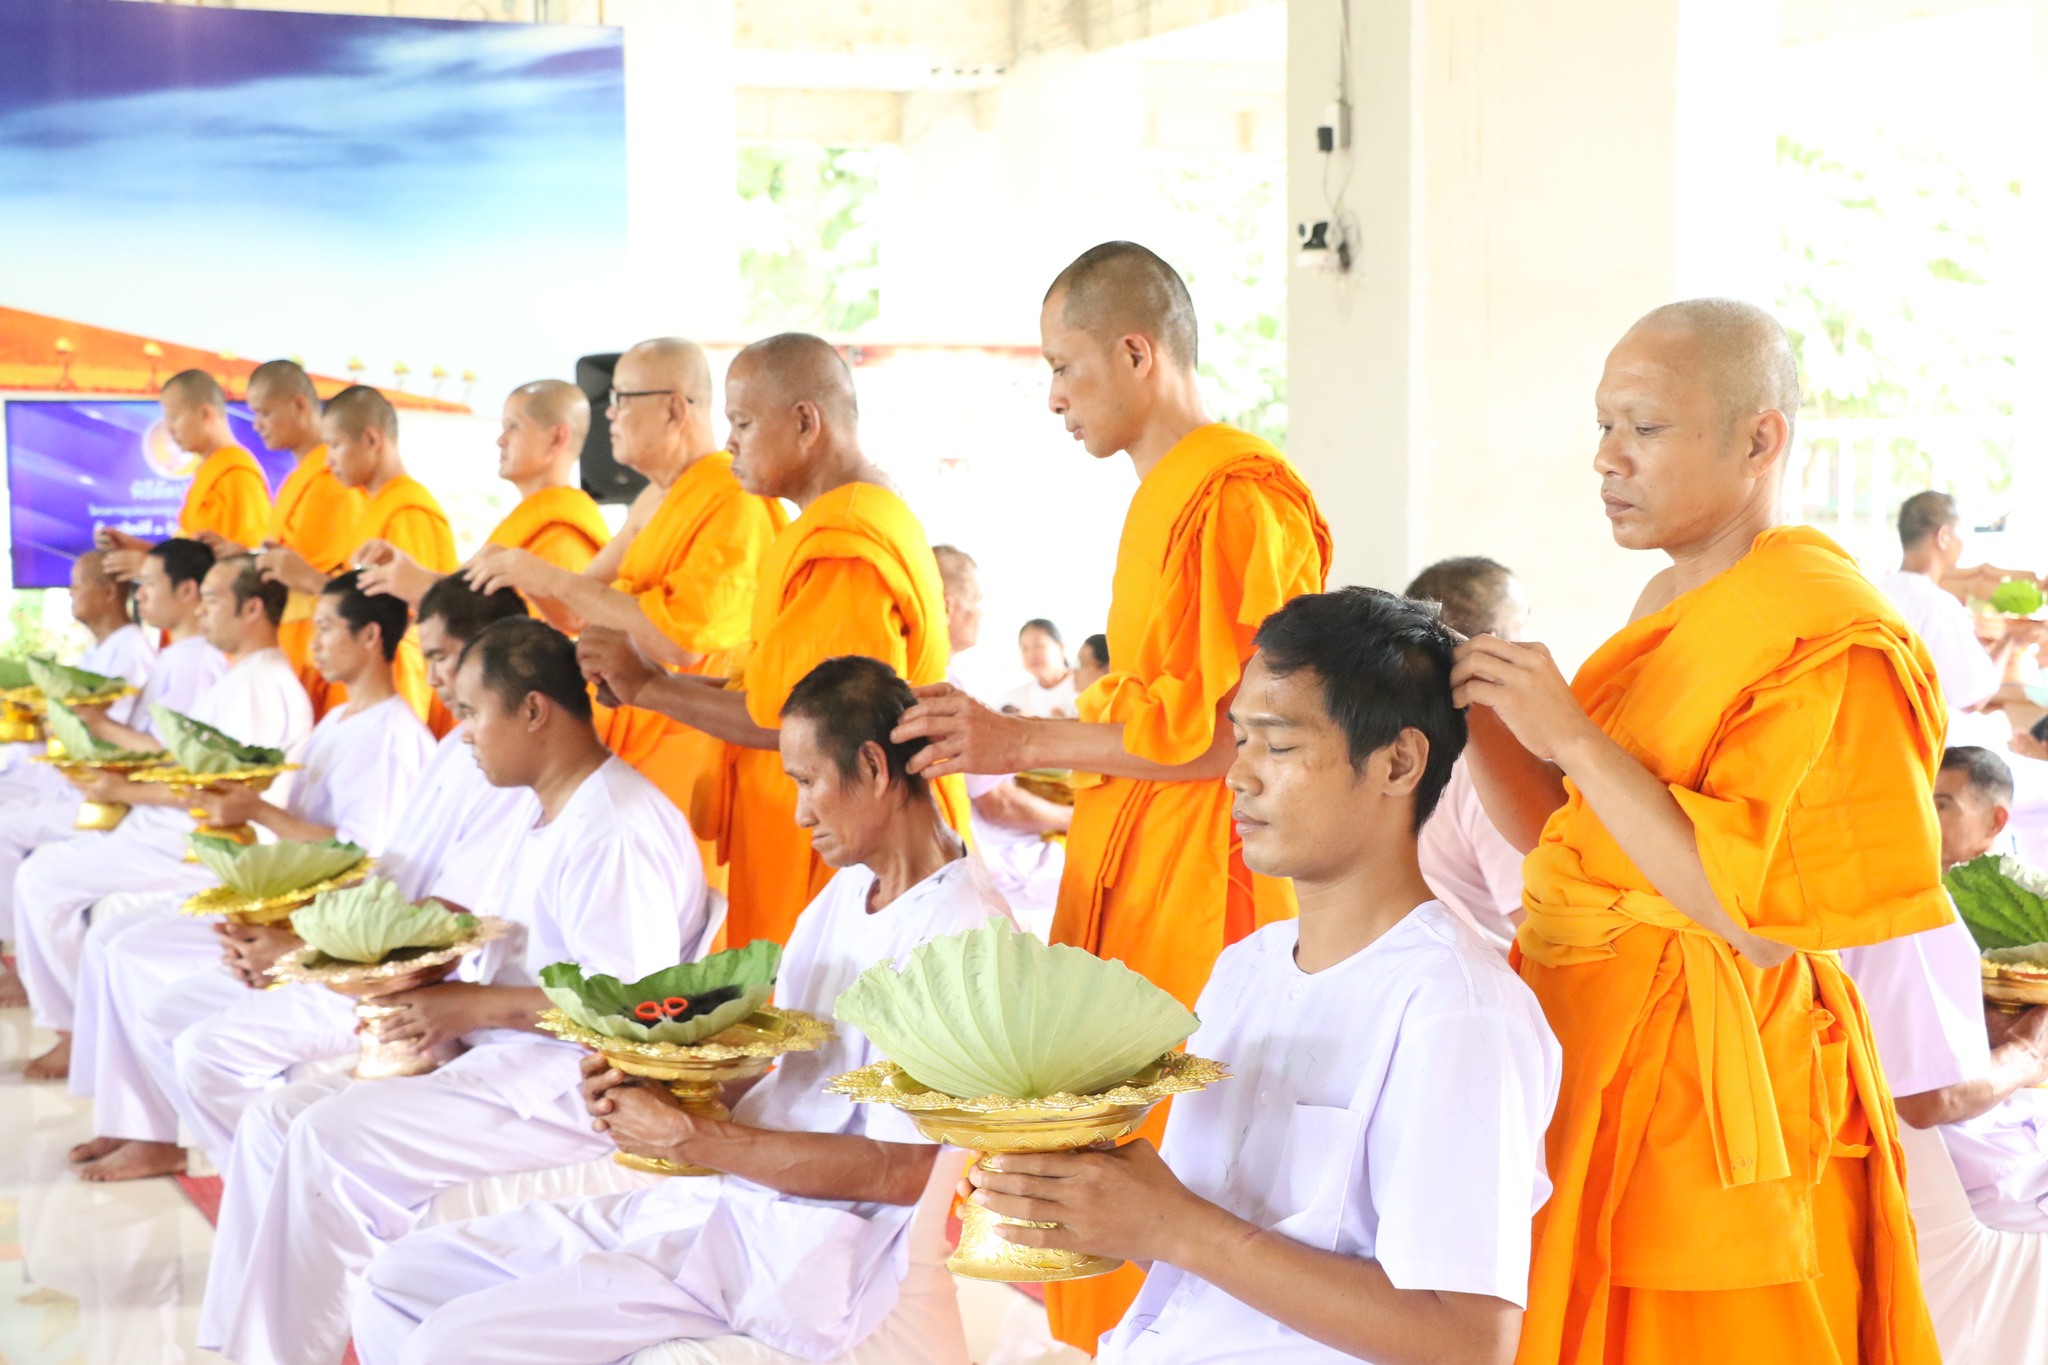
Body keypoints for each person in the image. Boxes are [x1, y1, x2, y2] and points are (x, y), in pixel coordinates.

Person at [1451, 299, 1947, 1362]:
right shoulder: (1663, 600)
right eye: (1600, 426)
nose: (1605, 459)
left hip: (1715, 1083)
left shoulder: (1827, 634)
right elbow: (1566, 845)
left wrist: (1575, 739)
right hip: (1579, 1033)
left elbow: (1756, 919)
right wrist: (1480, 716)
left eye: (1642, 427)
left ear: (1758, 437)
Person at [890, 242, 1332, 1352]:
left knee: (1190, 1146)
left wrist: (1017, 733)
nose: (1051, 397)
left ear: (1137, 352)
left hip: (1210, 879)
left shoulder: (1235, 497)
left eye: (1065, 367)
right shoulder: (1161, 502)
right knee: (1110, 1134)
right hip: (1135, 861)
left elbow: (1244, 725)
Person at [354, 655, 1016, 1365]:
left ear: (875, 768)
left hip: (811, 1250)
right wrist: (663, 1088)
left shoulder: (961, 935)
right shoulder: (847, 892)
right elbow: (789, 1075)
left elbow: (908, 1170)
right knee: (399, 1281)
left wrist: (691, 1138)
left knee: (449, 1345)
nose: (798, 811)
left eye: (807, 781)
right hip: (725, 1201)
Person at [968, 588, 1560, 1363]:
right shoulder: (1246, 969)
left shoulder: (1455, 1010)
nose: (1238, 776)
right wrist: (1091, 1203)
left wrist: (1173, 1224)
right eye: (1240, 740)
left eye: (1278, 747)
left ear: (1399, 762)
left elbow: (1465, 1340)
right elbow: (1211, 1247)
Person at [199, 617, 707, 1365]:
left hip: (572, 1088)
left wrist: (469, 1007)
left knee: (326, 1140)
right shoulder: (551, 806)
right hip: (502, 1055)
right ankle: (237, 1344)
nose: (462, 732)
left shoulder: (614, 827)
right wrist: (437, 977)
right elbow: (520, 949)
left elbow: (632, 1012)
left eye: (471, 711)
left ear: (533, 710)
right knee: (278, 1117)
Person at [577, 333, 966, 949]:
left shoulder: (846, 545)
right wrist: (654, 682)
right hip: (804, 827)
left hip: (844, 844)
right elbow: (769, 690)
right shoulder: (827, 524)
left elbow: (810, 727)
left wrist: (653, 686)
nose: (729, 442)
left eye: (744, 422)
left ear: (806, 422)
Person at [65, 571, 434, 1182]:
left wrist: (257, 812)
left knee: (147, 970)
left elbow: (365, 857)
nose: (312, 642)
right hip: (286, 902)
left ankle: (264, 1172)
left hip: (334, 934)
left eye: (325, 629)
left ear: (371, 636)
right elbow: (302, 828)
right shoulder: (339, 721)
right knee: (153, 998)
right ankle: (213, 1153)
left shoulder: (393, 736)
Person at [163, 577, 536, 1175]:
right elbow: (384, 875)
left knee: (207, 1052)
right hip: (365, 947)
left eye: (440, 656)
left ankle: (271, 1194)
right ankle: (268, 1193)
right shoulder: (456, 745)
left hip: (410, 983)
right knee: (182, 1020)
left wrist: (301, 953)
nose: (434, 676)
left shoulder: (501, 766)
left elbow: (447, 922)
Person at [464, 340, 788, 874]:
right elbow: (576, 610)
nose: (609, 415)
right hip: (630, 725)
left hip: (691, 736)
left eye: (621, 399)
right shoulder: (656, 498)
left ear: (674, 408)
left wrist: (543, 573)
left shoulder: (733, 501)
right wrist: (518, 573)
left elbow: (680, 640)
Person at [13, 553, 312, 1081]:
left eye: (214, 598)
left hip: (203, 846)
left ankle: (74, 1034)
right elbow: (187, 764)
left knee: (51, 884)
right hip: (172, 828)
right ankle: (84, 1049)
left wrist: (121, 784)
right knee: (74, 904)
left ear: (253, 609)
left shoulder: (256, 683)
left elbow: (218, 791)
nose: (204, 610)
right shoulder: (239, 676)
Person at [1840, 747, 2048, 1237]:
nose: (1924, 813)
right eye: (1922, 798)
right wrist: (2026, 1053)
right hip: (1963, 1177)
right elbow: (1934, 1101)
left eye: (1942, 803)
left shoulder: (1850, 887)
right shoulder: (1906, 906)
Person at [0, 552, 159, 1009]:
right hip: (71, 777)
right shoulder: (101, 651)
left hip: (104, 788)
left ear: (110, 593)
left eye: (78, 585)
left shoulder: (132, 650)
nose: (71, 593)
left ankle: (20, 968)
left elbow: (112, 734)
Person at [256, 384, 456, 728]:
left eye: (334, 445)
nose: (328, 460)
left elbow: (407, 622)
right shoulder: (374, 507)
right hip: (364, 675)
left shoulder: (408, 509)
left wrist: (309, 579)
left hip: (397, 680)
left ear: (372, 440)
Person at [357, 379, 612, 606]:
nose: (501, 439)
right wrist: (417, 577)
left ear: (557, 439)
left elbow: (532, 635)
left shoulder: (563, 530)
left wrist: (425, 588)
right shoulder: (527, 520)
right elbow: (474, 595)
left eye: (514, 426)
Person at [932, 549, 1070, 937]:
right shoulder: (946, 688)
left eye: (1038, 645)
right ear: (949, 606)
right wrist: (1072, 821)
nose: (982, 613)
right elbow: (997, 803)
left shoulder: (946, 676)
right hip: (983, 850)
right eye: (977, 601)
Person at [1406, 556, 1530, 952]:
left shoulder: (1382, 740)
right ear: (1491, 646)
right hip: (1492, 988)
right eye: (1521, 632)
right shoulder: (1492, 762)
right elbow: (1541, 927)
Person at [1876, 490, 2041, 748]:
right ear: (1943, 536)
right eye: (1962, 535)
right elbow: (1973, 697)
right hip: (1932, 751)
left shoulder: (1875, 592)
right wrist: (2009, 640)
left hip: (1884, 739)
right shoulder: (1936, 604)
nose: (1964, 545)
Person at [97, 370, 271, 578]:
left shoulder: (237, 475)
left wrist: (148, 565)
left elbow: (244, 570)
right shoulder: (208, 472)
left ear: (206, 414)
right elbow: (190, 557)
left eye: (174, 418)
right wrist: (137, 548)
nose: (169, 430)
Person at [1003, 618, 1079, 718]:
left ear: (1060, 647)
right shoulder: (1015, 698)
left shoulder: (1084, 689)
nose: (1031, 654)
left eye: (1038, 646)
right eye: (1025, 648)